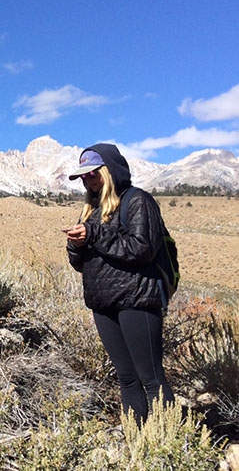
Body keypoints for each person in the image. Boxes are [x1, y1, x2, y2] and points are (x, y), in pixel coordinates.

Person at [64, 144, 175, 425]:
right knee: (126, 378)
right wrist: (75, 245)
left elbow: (141, 248)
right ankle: (136, 441)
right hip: (103, 303)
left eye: (92, 174)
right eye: (84, 177)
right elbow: (81, 264)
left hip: (137, 299)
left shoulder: (137, 201)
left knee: (150, 378)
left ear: (109, 171)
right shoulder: (91, 209)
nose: (88, 181)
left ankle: (168, 440)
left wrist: (93, 234)